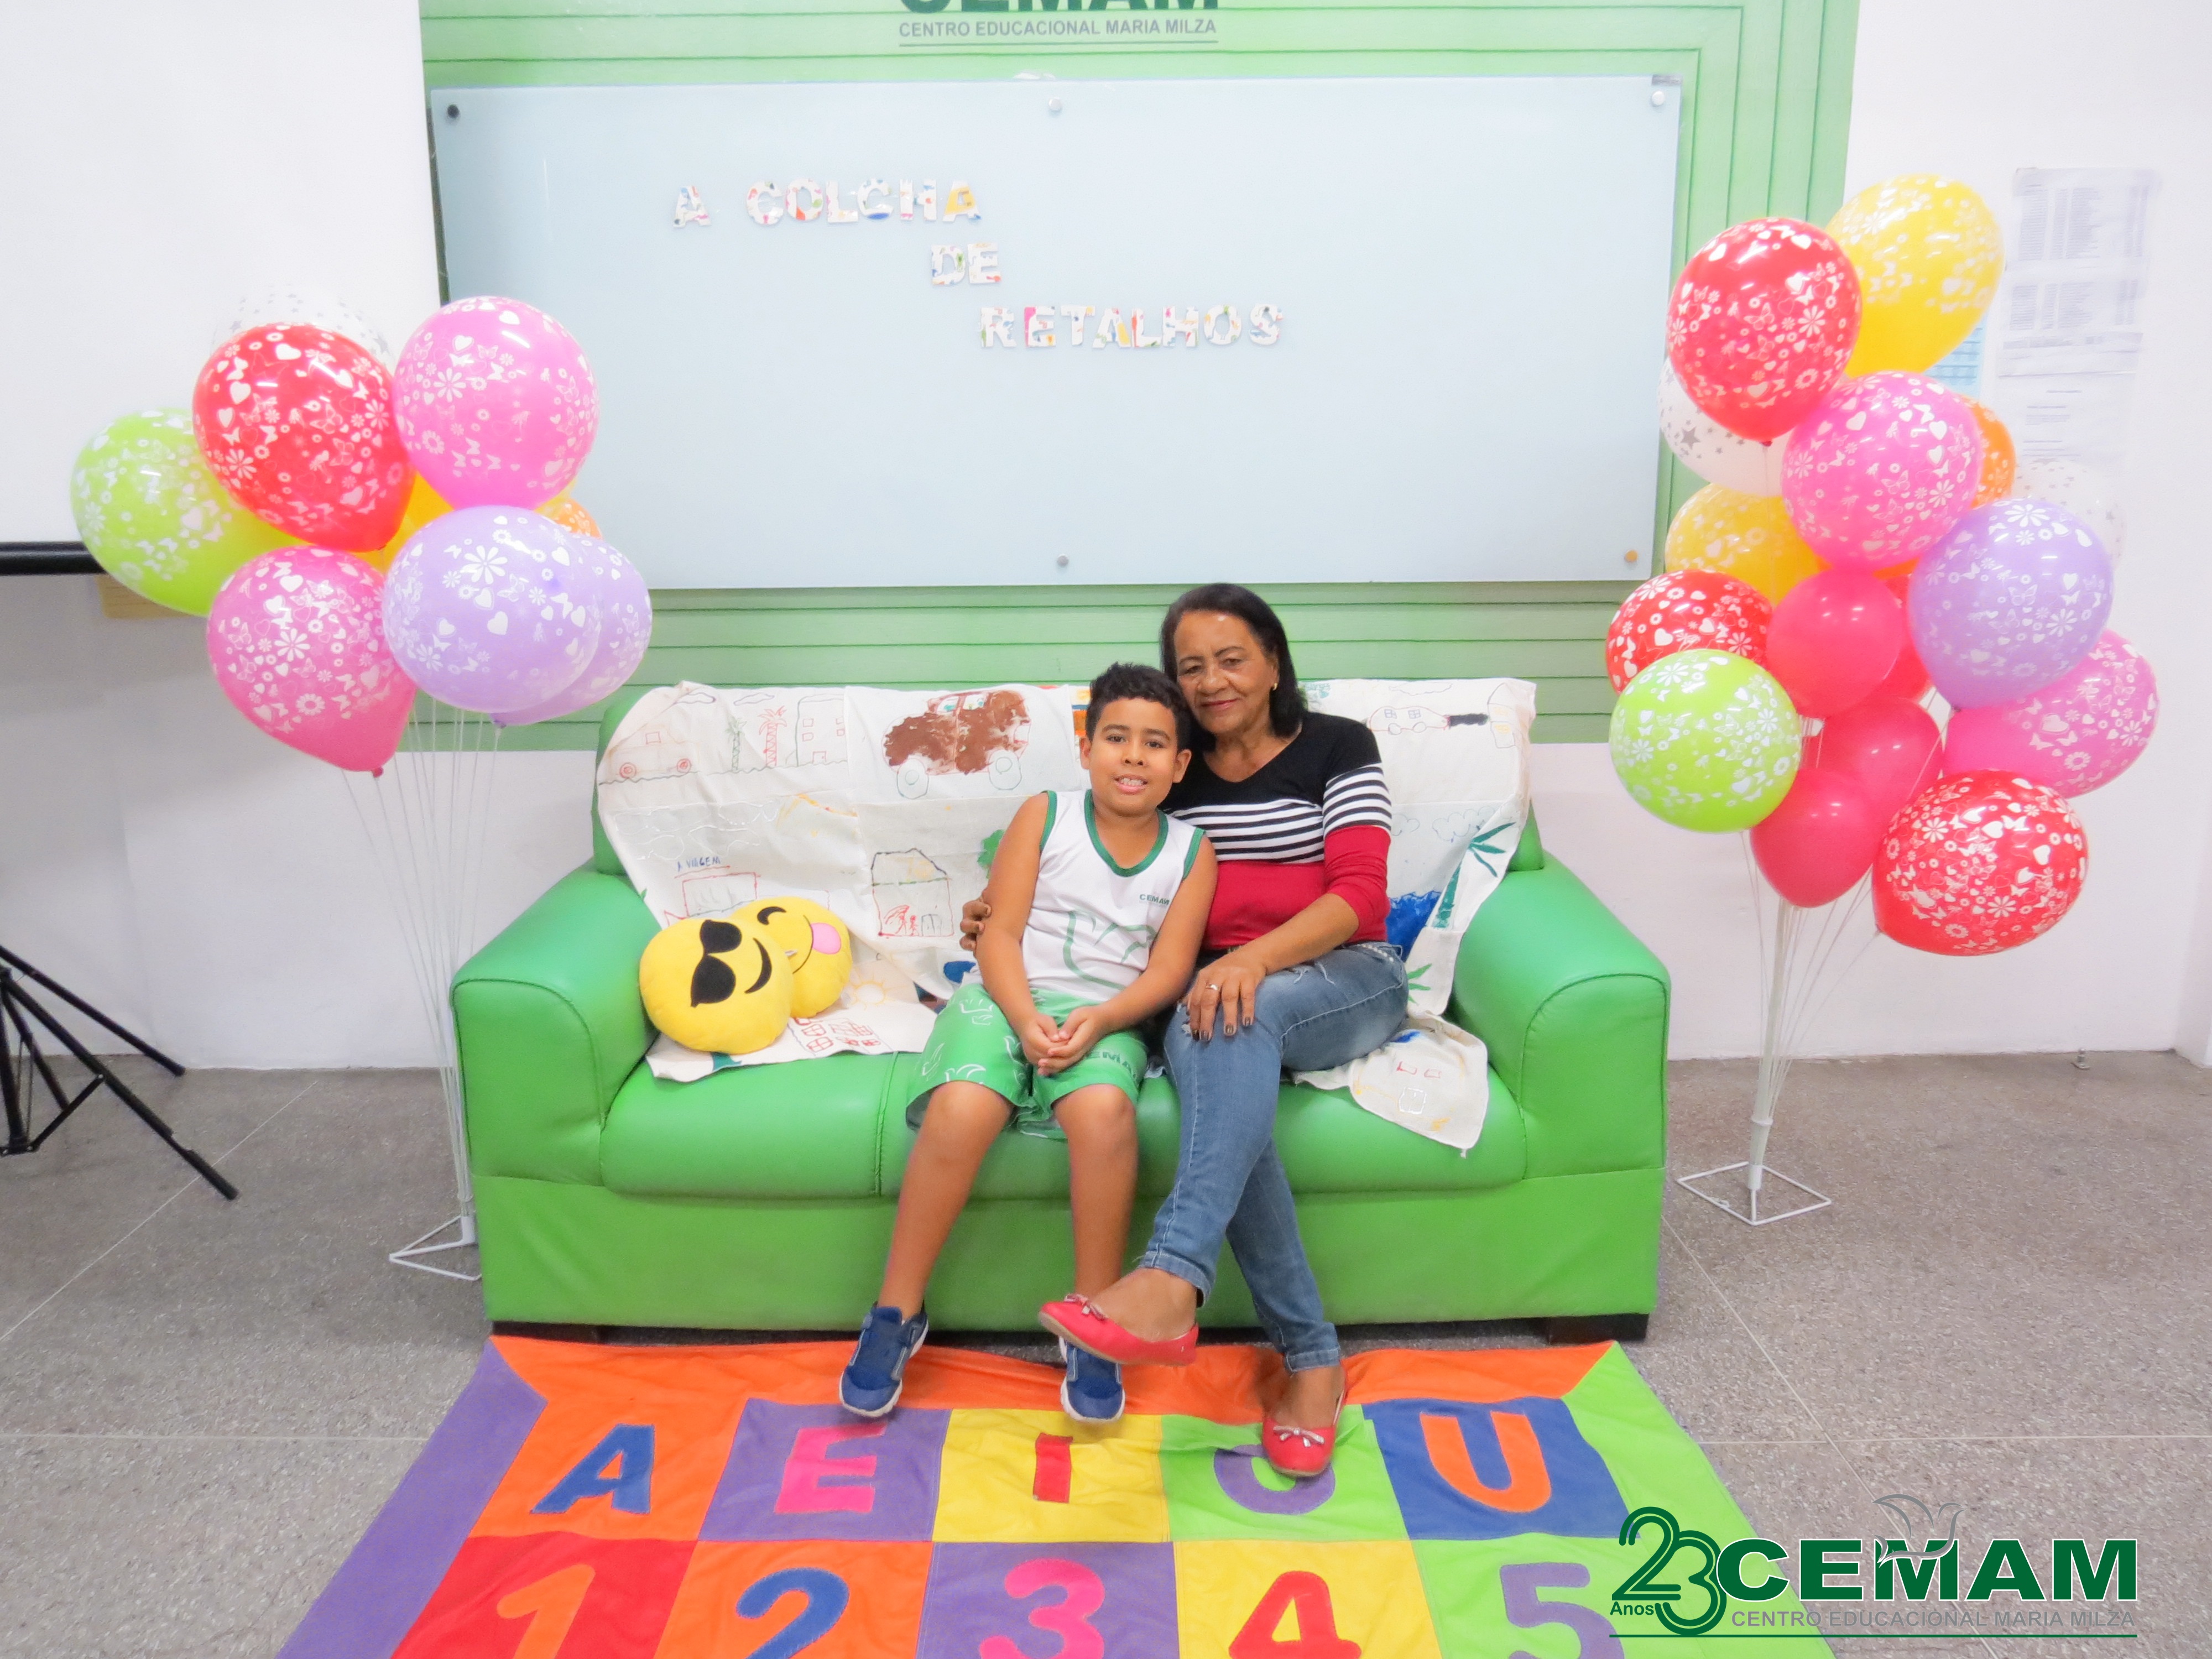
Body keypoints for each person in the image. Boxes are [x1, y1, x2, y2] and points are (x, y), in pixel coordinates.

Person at [971, 585, 1405, 1478]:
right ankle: (1312, 1361)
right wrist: (997, 909)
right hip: (1208, 997)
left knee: (1238, 1008)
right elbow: (1098, 862)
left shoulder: (1338, 745)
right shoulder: (1173, 765)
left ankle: (1172, 1276)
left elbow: (1360, 896)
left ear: (1274, 662)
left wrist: (1251, 962)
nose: (1212, 681)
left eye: (1232, 659)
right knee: (1224, 1049)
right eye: (1193, 667)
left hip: (1342, 976)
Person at [840, 664, 1218, 1425]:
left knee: (1105, 1113)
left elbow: (1169, 971)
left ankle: (1095, 1320)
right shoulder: (1044, 815)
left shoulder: (1192, 853)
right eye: (1117, 738)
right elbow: (1000, 933)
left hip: (1105, 1014)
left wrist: (1102, 1020)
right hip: (1004, 996)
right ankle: (896, 1309)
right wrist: (1021, 1020)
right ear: (1086, 749)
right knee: (961, 1108)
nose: (1134, 756)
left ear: (1181, 764)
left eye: (1154, 744)